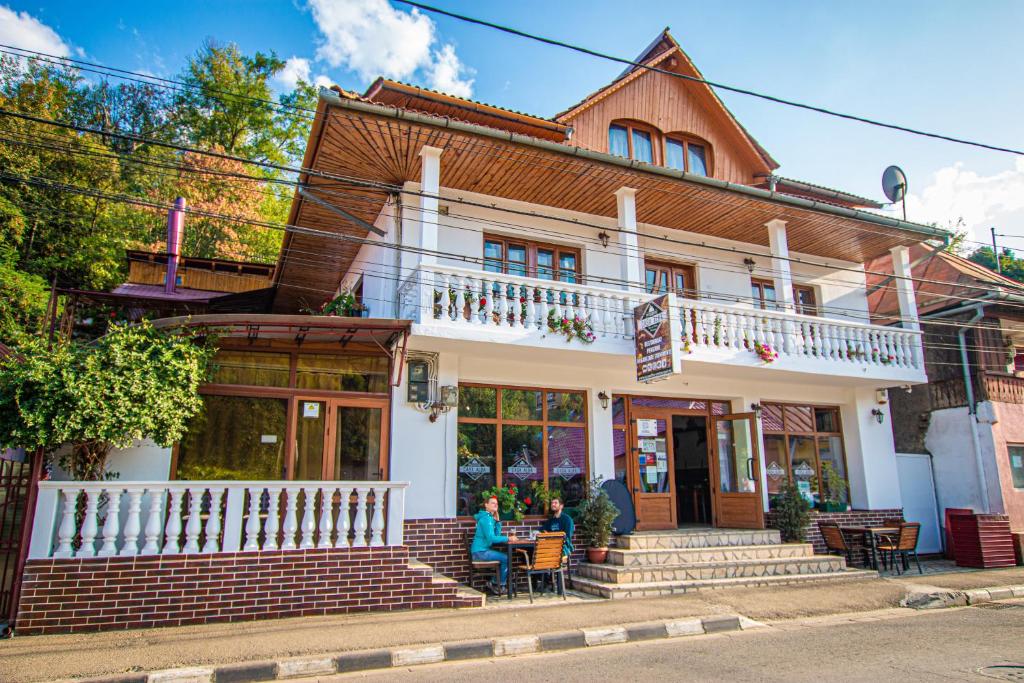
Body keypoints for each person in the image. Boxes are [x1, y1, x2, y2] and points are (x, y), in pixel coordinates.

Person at [471, 496, 518, 593]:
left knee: (506, 558)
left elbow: (497, 535)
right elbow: (491, 538)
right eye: (492, 503)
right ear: (486, 505)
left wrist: (497, 522)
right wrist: (508, 538)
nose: (495, 504)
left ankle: (495, 582)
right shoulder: (486, 519)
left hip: (482, 551)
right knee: (506, 558)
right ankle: (498, 585)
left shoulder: (489, 518)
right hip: (480, 552)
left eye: (496, 503)